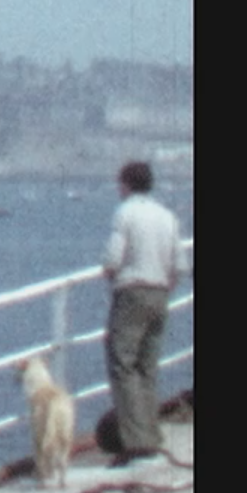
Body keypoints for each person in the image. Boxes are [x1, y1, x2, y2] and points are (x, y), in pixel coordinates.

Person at [101, 161, 189, 467]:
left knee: (122, 364)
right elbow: (180, 265)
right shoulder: (167, 216)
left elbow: (113, 259)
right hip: (160, 293)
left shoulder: (125, 213)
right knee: (148, 366)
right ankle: (151, 434)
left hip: (132, 291)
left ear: (125, 184)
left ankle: (137, 444)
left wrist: (114, 279)